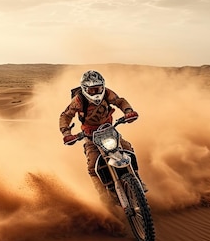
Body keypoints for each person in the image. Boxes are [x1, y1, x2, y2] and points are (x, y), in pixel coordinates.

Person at [59, 70, 145, 204]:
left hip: (109, 130)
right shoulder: (78, 100)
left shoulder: (107, 93)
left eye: (98, 88)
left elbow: (119, 101)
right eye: (91, 90)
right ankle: (103, 197)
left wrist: (128, 111)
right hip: (89, 135)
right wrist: (67, 134)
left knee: (127, 148)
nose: (95, 92)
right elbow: (66, 115)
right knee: (93, 165)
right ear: (85, 89)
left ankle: (138, 180)